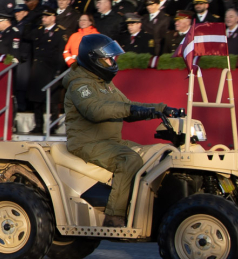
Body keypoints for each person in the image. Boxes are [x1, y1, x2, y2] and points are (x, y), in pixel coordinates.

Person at [62, 34, 180, 228]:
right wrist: (131, 109)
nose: (112, 62)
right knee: (129, 160)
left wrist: (160, 109)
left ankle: (149, 210)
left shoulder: (104, 83)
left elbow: (128, 106)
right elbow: (95, 110)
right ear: (94, 59)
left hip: (110, 141)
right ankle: (114, 217)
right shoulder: (80, 84)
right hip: (87, 143)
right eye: (108, 59)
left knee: (156, 154)